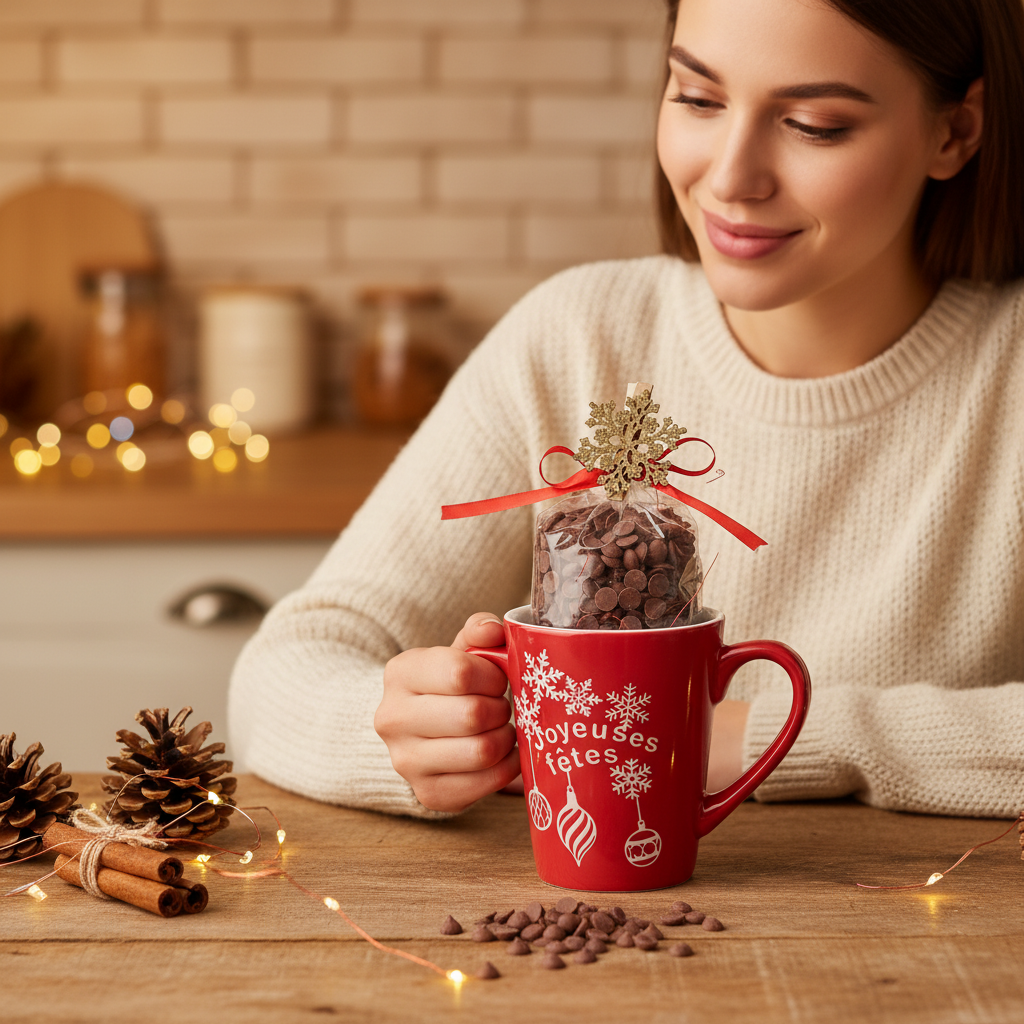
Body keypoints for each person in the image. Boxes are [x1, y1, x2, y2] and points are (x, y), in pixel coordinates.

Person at [229, 0, 1024, 822]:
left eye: (814, 124)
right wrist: (398, 732)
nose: (729, 177)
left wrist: (744, 738)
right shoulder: (578, 336)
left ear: (955, 133)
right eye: (697, 99)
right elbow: (280, 675)